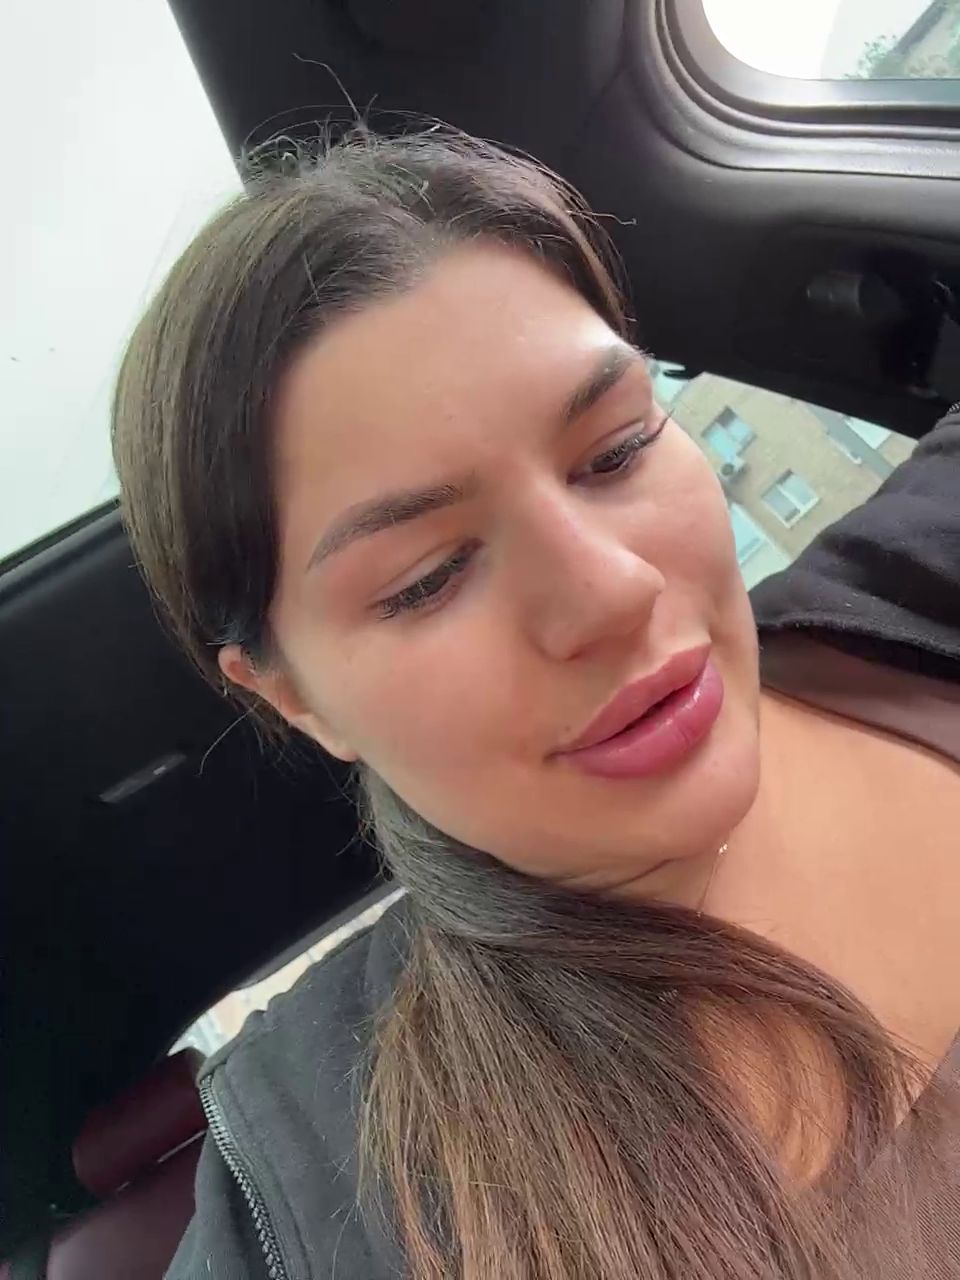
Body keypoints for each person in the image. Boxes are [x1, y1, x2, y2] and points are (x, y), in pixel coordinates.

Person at [111, 129, 960, 1280]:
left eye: (617, 451)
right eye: (426, 578)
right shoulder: (323, 1191)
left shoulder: (919, 586)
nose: (613, 591)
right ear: (296, 699)